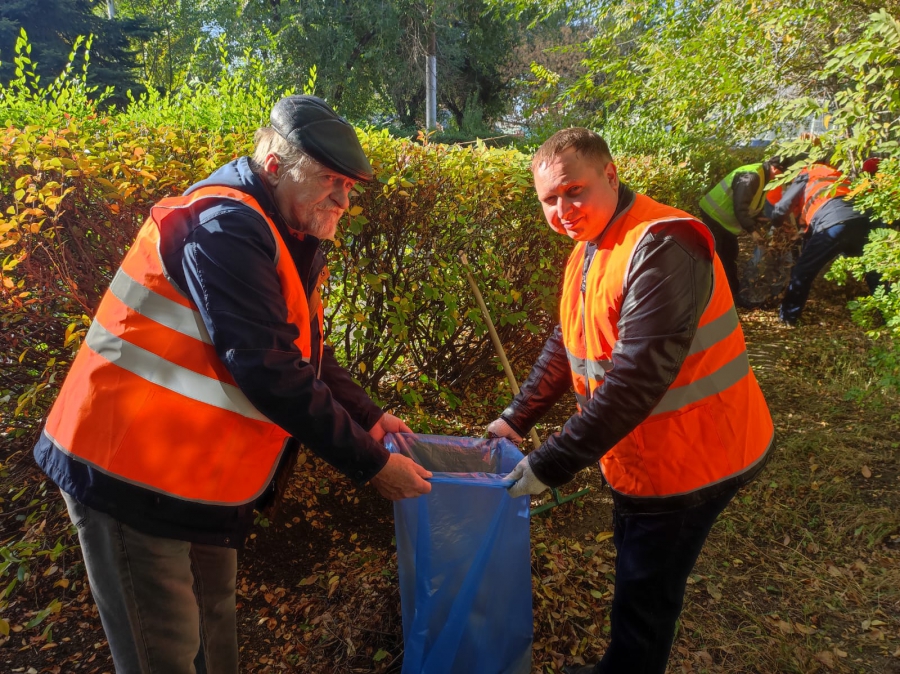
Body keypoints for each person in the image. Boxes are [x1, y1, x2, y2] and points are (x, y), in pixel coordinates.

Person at [33, 95, 432, 674]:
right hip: (127, 475)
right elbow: (269, 368)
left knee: (216, 635)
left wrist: (368, 416)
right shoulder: (224, 228)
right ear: (274, 165)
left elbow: (303, 350)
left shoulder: (283, 228)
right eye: (329, 180)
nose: (344, 200)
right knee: (164, 653)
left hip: (194, 477)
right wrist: (372, 463)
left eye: (350, 186)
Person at [487, 128, 774, 674]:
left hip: (694, 458)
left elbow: (637, 381)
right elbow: (565, 341)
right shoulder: (590, 245)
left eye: (574, 191)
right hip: (646, 454)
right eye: (549, 199)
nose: (563, 210)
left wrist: (549, 464)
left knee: (645, 597)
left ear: (610, 176)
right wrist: (514, 421)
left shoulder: (662, 244)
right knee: (638, 576)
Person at [770, 162, 880, 326]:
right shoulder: (836, 174)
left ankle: (788, 318)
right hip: (863, 221)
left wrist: (775, 226)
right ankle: (889, 315)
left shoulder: (807, 172)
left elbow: (782, 207)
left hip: (833, 221)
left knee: (802, 271)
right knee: (872, 269)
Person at [698, 156, 786, 299]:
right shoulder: (751, 177)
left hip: (726, 223)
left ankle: (732, 291)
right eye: (784, 174)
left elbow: (751, 204)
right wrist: (753, 232)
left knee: (730, 255)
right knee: (718, 258)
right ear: (775, 169)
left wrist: (759, 218)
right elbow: (740, 208)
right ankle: (716, 295)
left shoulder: (765, 177)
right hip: (713, 216)